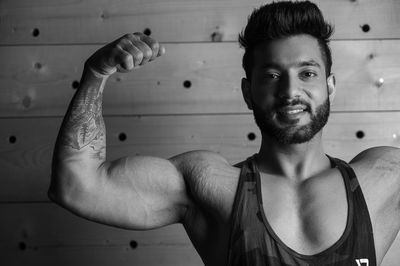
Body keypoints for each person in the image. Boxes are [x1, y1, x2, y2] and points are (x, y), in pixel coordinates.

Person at [49, 1, 400, 265]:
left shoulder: (383, 178)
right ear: (248, 92)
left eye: (307, 73)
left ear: (330, 87)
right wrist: (97, 72)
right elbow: (75, 186)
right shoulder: (210, 184)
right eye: (272, 76)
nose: (291, 91)